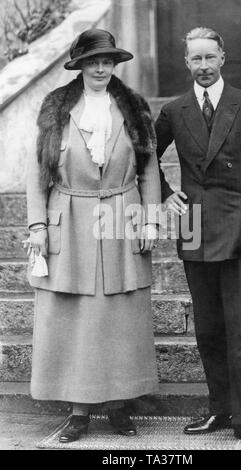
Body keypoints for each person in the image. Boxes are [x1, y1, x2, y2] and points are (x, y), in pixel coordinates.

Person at [26, 28, 161, 443]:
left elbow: (149, 167)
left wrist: (151, 219)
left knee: (121, 314)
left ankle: (120, 406)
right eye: (93, 61)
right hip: (69, 214)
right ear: (80, 65)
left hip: (123, 214)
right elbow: (37, 173)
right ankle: (78, 411)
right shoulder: (57, 109)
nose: (101, 68)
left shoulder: (134, 108)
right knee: (73, 316)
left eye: (107, 61)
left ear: (115, 64)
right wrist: (38, 227)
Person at [155, 27, 241, 450]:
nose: (204, 66)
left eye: (210, 57)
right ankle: (220, 407)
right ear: (187, 63)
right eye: (196, 59)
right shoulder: (174, 110)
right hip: (195, 226)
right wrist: (163, 193)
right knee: (209, 328)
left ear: (223, 58)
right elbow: (145, 156)